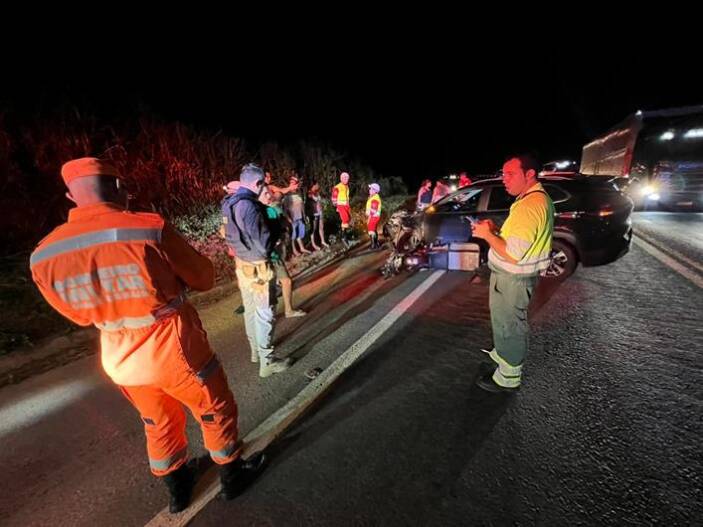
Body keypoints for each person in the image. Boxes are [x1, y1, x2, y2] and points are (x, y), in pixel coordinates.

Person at [29, 157, 264, 514]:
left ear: (70, 196)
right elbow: (203, 277)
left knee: (157, 421)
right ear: (118, 187)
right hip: (173, 346)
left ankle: (178, 489)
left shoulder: (44, 255)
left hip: (119, 357)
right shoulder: (147, 228)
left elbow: (76, 315)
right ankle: (232, 474)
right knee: (213, 407)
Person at [470, 154, 555, 392]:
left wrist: (486, 235)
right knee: (506, 322)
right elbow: (519, 240)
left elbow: (513, 254)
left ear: (530, 174)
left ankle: (508, 377)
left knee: (509, 325)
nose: (504, 179)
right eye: (503, 173)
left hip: (514, 278)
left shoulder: (529, 205)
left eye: (510, 174)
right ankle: (504, 355)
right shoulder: (533, 199)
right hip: (514, 277)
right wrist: (495, 230)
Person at [227, 163, 293, 376]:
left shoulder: (230, 202)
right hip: (258, 268)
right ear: (257, 183)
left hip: (242, 264)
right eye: (263, 184)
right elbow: (263, 243)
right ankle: (267, 362)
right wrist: (275, 233)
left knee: (251, 310)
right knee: (265, 313)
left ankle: (256, 352)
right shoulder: (250, 206)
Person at [259, 184, 306, 318]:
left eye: (269, 193)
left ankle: (274, 312)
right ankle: (286, 311)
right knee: (283, 281)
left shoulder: (265, 210)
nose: (269, 195)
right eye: (265, 194)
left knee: (274, 283)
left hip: (268, 253)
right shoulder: (264, 211)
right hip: (269, 254)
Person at [282, 176, 310, 257]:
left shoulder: (298, 195)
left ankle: (302, 248)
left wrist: (304, 216)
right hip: (292, 219)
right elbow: (284, 210)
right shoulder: (287, 197)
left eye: (295, 183)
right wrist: (288, 219)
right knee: (293, 235)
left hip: (300, 217)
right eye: (292, 183)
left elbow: (302, 207)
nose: (294, 185)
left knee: (299, 234)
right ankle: (294, 250)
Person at [307, 182, 329, 250]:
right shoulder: (309, 194)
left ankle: (323, 241)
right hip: (313, 214)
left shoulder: (317, 193)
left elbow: (319, 202)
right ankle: (313, 244)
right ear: (313, 186)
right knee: (313, 229)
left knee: (321, 227)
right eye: (317, 185)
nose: (318, 186)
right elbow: (309, 204)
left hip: (320, 212)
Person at [331, 171, 352, 245]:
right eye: (344, 178)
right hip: (341, 205)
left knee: (348, 219)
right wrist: (337, 206)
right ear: (341, 178)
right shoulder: (338, 187)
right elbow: (334, 197)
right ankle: (344, 237)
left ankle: (344, 235)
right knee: (345, 219)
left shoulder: (346, 186)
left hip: (346, 205)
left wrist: (348, 205)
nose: (346, 179)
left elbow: (347, 197)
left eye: (347, 178)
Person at [365, 183, 383, 249]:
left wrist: (369, 216)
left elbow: (373, 210)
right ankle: (376, 243)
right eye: (370, 189)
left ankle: (373, 245)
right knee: (373, 229)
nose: (369, 190)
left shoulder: (375, 198)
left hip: (373, 216)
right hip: (374, 216)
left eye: (371, 189)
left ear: (375, 191)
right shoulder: (373, 197)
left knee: (371, 229)